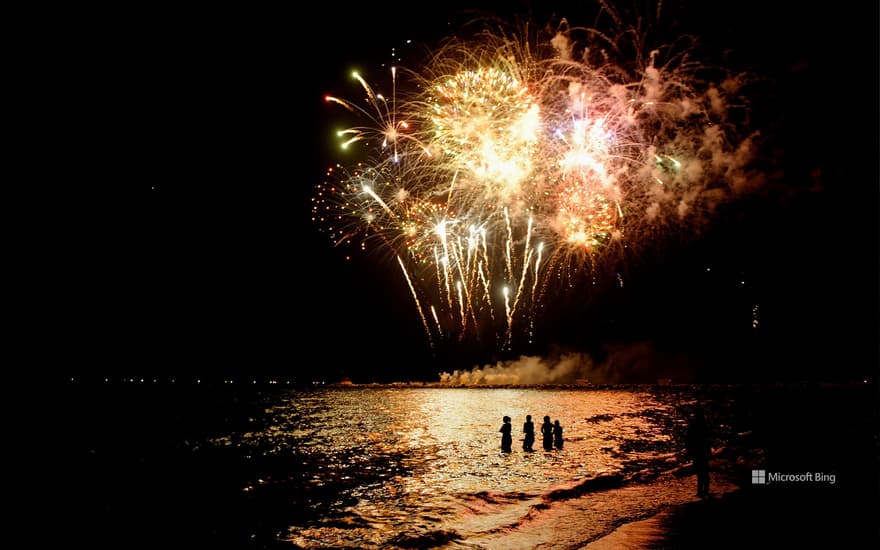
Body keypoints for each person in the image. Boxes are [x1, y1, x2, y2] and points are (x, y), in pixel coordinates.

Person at [685, 407, 712, 497]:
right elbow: (707, 440)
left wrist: (688, 452)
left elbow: (688, 440)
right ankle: (704, 491)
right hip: (702, 451)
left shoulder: (693, 424)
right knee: (703, 471)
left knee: (700, 472)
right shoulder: (703, 425)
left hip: (697, 451)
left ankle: (701, 491)